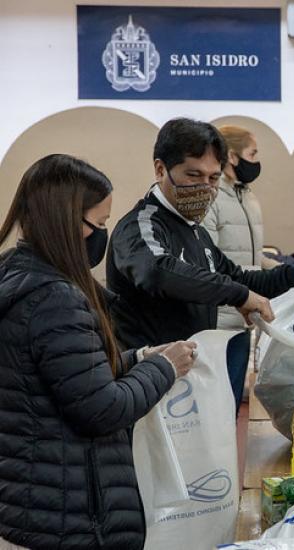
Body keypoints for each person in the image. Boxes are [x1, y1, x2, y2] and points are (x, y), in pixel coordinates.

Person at [0, 154, 196, 549]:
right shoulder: (54, 297)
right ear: (66, 221)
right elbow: (101, 409)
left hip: (33, 499)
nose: (102, 237)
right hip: (66, 514)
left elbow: (62, 377)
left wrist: (136, 359)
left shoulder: (16, 275)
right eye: (99, 225)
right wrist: (162, 369)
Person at [106, 118, 294, 409]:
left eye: (213, 178)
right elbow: (157, 271)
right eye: (194, 175)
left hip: (191, 380)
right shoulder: (141, 226)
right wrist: (238, 295)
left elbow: (238, 277)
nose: (205, 188)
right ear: (160, 169)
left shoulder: (195, 231)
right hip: (148, 383)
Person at [203, 124, 280, 330]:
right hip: (222, 315)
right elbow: (210, 260)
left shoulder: (248, 196)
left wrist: (288, 272)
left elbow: (252, 256)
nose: (255, 161)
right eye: (252, 154)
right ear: (232, 156)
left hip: (249, 310)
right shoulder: (212, 197)